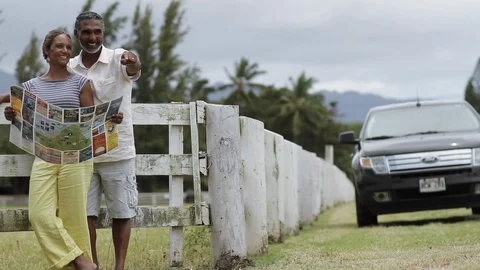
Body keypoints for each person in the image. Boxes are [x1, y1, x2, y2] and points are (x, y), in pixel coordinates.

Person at [1, 29, 124, 270]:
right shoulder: (31, 85)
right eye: (59, 46)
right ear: (46, 51)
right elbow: (11, 103)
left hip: (76, 158)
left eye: (68, 47)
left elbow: (90, 120)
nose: (65, 51)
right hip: (44, 157)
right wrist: (11, 113)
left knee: (74, 219)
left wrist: (111, 119)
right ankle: (81, 261)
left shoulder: (81, 83)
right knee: (38, 215)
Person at [69, 11, 142, 270]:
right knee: (84, 214)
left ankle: (119, 267)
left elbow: (133, 69)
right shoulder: (69, 66)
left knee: (122, 212)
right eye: (86, 32)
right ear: (77, 33)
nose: (92, 37)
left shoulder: (118, 58)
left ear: (104, 33)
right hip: (83, 152)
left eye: (97, 31)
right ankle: (94, 265)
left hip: (118, 150)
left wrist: (134, 60)